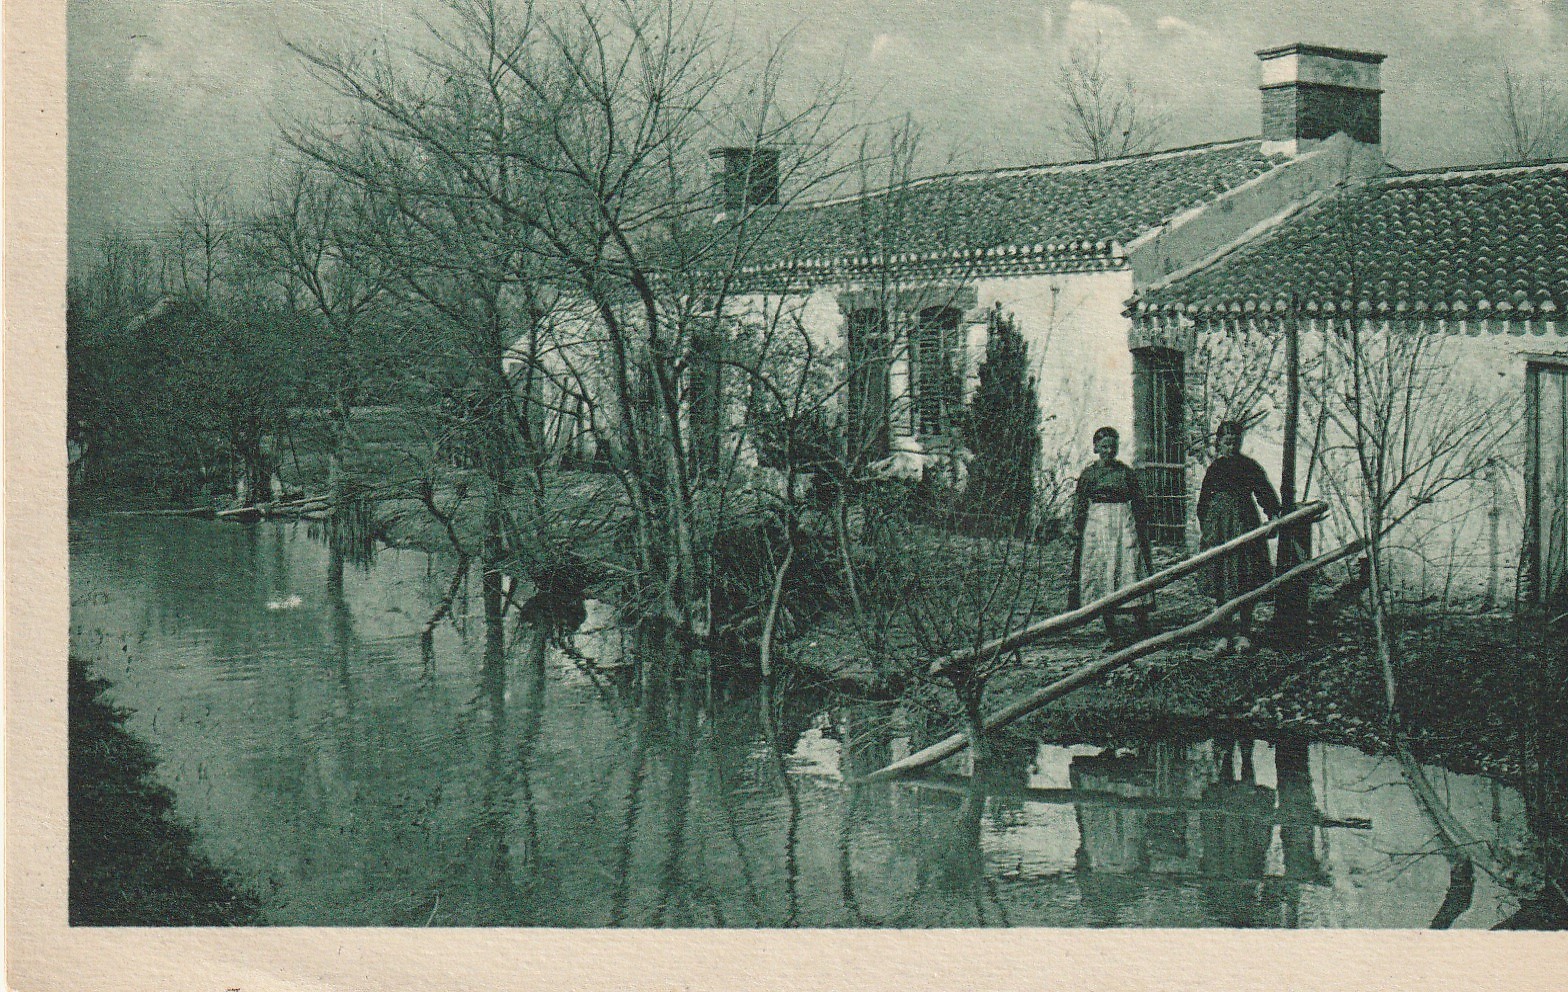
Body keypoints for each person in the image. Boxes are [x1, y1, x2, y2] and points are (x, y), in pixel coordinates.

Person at [1197, 420, 1281, 653]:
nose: (1231, 445)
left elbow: (1264, 490)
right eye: (1226, 441)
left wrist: (1273, 514)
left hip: (1244, 524)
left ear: (1240, 442)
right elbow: (1203, 502)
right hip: (1219, 530)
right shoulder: (1214, 469)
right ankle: (1224, 634)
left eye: (1235, 441)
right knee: (1222, 578)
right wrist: (1207, 528)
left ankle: (1244, 633)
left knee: (1245, 576)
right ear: (1219, 443)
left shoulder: (1248, 466)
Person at [1071, 427, 1153, 648]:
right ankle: (1111, 628)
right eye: (1104, 447)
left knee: (1129, 566)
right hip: (1098, 525)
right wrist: (1077, 526)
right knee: (1103, 571)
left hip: (1122, 523)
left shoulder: (1125, 472)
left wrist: (1142, 522)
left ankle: (1142, 624)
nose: (1108, 451)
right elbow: (1080, 502)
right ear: (1096, 448)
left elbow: (1138, 500)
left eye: (1112, 447)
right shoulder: (1089, 474)